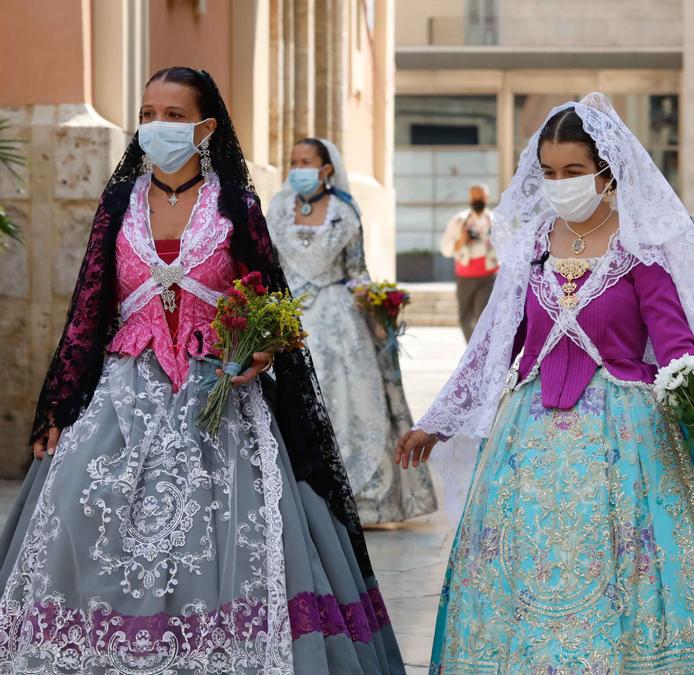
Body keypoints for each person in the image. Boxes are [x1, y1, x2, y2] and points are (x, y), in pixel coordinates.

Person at [395, 93, 694, 673]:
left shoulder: (641, 245)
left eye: (575, 172)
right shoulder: (532, 247)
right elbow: (494, 341)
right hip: (527, 441)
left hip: (629, 438)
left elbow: (678, 347)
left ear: (606, 172)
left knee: (628, 571)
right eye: (551, 173)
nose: (561, 184)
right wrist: (436, 421)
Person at [3, 67, 404, 673]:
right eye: (146, 115)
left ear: (204, 127)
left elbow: (272, 305)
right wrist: (59, 403)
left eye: (171, 114)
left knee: (220, 537)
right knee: (82, 505)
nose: (155, 126)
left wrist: (264, 347)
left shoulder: (235, 207)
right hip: (124, 390)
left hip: (217, 396)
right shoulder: (119, 203)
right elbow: (88, 309)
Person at [268, 138, 437, 526]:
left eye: (306, 161)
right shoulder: (277, 210)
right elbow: (269, 265)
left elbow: (357, 270)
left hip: (338, 321)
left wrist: (377, 310)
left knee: (346, 403)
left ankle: (357, 500)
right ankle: (293, 498)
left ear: (326, 169)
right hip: (287, 318)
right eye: (293, 161)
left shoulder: (344, 213)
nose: (298, 168)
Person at [440, 183, 498, 340]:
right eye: (475, 196)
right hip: (465, 276)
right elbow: (445, 249)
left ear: (487, 198)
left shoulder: (496, 220)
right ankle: (473, 353)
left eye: (481, 196)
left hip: (489, 275)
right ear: (470, 198)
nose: (478, 199)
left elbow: (508, 246)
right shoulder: (459, 221)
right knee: (464, 318)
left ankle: (482, 354)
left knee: (484, 317)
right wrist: (462, 240)